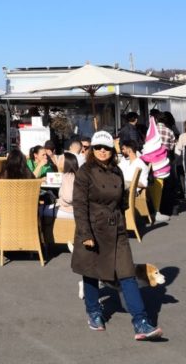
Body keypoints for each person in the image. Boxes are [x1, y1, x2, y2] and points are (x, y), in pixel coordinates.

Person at [72, 130, 162, 340]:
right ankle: (94, 312)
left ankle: (141, 322)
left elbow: (122, 199)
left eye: (106, 148)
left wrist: (121, 220)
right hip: (93, 229)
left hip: (116, 229)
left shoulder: (117, 172)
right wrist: (86, 232)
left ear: (112, 151)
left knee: (127, 274)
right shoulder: (84, 172)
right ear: (92, 150)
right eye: (98, 148)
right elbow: (79, 205)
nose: (102, 151)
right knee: (92, 272)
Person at [43, 153, 77, 220]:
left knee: (39, 210)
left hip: (67, 210)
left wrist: (58, 201)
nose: (58, 160)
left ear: (66, 162)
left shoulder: (68, 176)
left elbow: (68, 198)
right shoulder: (73, 175)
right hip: (73, 210)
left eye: (61, 159)